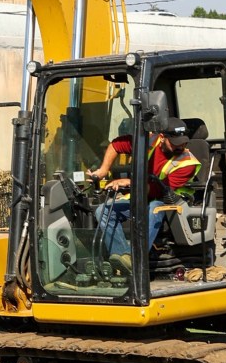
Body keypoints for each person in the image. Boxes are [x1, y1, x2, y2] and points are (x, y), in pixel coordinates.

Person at [86, 117, 201, 272]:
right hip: (141, 197)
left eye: (183, 142)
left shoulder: (188, 163)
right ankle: (123, 260)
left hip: (171, 202)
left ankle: (136, 259)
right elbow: (116, 145)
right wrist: (103, 170)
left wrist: (128, 182)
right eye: (175, 143)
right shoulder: (148, 141)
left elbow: (158, 190)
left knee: (154, 207)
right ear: (162, 138)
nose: (180, 146)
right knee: (103, 210)